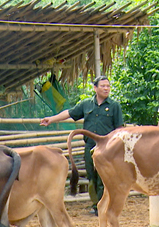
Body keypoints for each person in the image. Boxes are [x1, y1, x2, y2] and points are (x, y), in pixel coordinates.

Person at [40, 76, 124, 216]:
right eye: (103, 86)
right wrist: (51, 119)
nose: (106, 88)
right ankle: (96, 206)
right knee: (92, 176)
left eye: (108, 86)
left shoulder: (115, 106)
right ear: (95, 88)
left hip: (107, 148)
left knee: (105, 177)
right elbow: (69, 113)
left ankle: (108, 206)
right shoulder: (86, 104)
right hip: (90, 145)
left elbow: (120, 129)